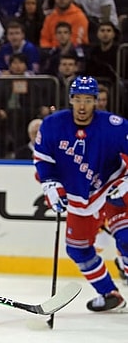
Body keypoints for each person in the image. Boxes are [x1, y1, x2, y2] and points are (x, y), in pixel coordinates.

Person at [34, 76, 127, 312]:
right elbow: (44, 161)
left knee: (126, 239)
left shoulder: (115, 126)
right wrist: (50, 184)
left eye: (88, 99)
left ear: (96, 101)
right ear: (70, 100)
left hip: (114, 187)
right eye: (78, 99)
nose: (82, 106)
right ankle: (109, 294)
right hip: (80, 197)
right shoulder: (53, 125)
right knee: (77, 249)